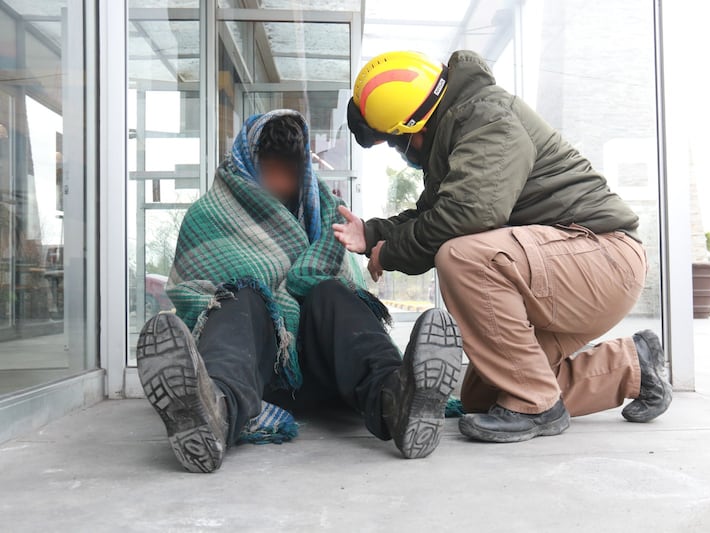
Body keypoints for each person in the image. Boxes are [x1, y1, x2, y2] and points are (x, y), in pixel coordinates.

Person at [334, 50, 672, 444]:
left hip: (602, 256)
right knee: (487, 393)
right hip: (567, 263)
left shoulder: (487, 120)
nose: (400, 152)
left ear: (414, 126)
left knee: (461, 256)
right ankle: (633, 365)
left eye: (395, 143)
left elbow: (467, 215)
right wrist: (374, 235)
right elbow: (434, 213)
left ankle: (538, 406)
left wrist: (389, 254)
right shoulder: (459, 130)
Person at [136, 110, 463, 473]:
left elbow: (348, 288)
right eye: (269, 168)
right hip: (252, 376)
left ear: (303, 172)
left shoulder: (325, 216)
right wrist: (257, 296)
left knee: (332, 293)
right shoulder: (207, 216)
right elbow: (193, 296)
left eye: (289, 171)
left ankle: (396, 399)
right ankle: (214, 411)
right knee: (240, 297)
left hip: (327, 372)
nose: (279, 182)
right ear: (247, 162)